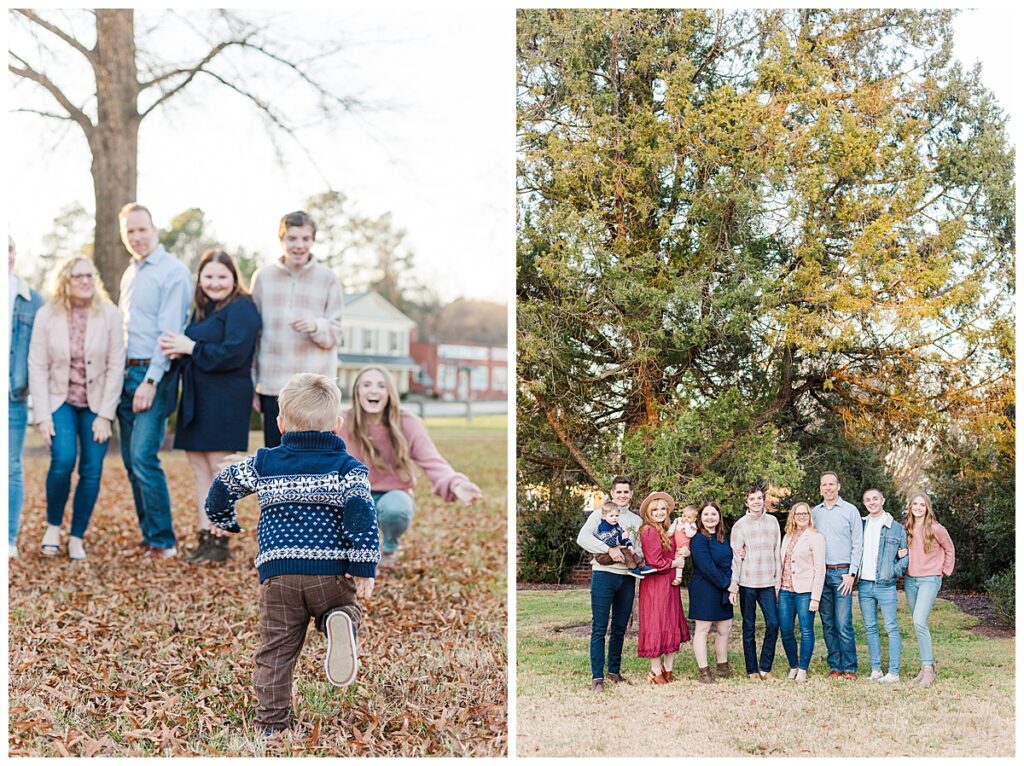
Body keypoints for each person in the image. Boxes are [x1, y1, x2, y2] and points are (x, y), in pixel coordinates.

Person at [205, 372, 378, 735]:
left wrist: (223, 519)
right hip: (332, 573)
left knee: (276, 652)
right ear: (337, 424)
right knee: (344, 609)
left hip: (279, 574)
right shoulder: (349, 468)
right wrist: (364, 565)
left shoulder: (265, 462)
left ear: (281, 424)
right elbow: (362, 514)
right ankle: (338, 622)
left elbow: (223, 484)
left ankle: (272, 725)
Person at [158, 249, 261, 564]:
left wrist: (190, 347)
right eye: (209, 276)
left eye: (222, 276)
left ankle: (221, 539)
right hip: (196, 398)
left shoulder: (243, 308)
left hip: (226, 399)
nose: (215, 283)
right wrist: (180, 352)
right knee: (199, 469)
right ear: (199, 279)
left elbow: (235, 353)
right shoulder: (201, 310)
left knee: (220, 469)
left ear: (233, 277)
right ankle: (205, 536)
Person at [28, 257, 124, 560]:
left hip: (97, 404)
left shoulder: (109, 314)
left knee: (92, 469)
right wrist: (42, 416)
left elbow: (115, 365)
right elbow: (37, 365)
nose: (85, 281)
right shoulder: (47, 315)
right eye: (77, 276)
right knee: (63, 458)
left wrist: (106, 415)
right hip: (60, 400)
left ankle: (77, 536)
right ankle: (53, 527)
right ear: (64, 282)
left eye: (89, 275)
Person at [340, 366, 482, 568]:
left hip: (393, 492)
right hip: (352, 496)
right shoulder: (342, 421)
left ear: (389, 392)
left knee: (396, 510)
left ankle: (389, 548)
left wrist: (456, 484)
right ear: (357, 391)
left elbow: (432, 460)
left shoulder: (407, 422)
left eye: (381, 385)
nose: (373, 390)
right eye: (367, 384)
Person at [116, 203, 192, 559]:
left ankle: (164, 542)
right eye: (129, 231)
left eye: (141, 229)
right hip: (125, 372)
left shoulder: (172, 271)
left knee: (144, 456)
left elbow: (169, 332)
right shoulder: (130, 273)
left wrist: (149, 380)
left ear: (154, 229)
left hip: (153, 373)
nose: (136, 237)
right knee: (131, 462)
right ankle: (149, 536)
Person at [250, 211, 343, 449]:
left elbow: (336, 333)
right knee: (276, 457)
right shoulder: (263, 277)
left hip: (316, 389)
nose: (299, 245)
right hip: (273, 386)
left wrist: (316, 325)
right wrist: (253, 383)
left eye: (305, 239)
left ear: (313, 240)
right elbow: (253, 335)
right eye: (292, 238)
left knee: (317, 460)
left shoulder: (329, 279)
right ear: (282, 239)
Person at [576, 476, 640, 692]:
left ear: (631, 494)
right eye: (619, 491)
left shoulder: (636, 520)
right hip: (604, 575)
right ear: (613, 493)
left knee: (620, 627)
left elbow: (639, 548)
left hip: (627, 578)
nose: (622, 495)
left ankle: (614, 671)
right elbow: (582, 538)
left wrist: (632, 553)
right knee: (600, 626)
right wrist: (608, 549)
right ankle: (597, 677)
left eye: (626, 491)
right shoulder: (599, 514)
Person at [9, 235, 45, 558]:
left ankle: (8, 538)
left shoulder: (32, 300)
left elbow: (44, 352)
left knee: (10, 467)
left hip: (13, 395)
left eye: (8, 247)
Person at [811, 471, 863, 679]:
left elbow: (858, 544)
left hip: (843, 574)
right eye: (824, 485)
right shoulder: (815, 512)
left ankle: (850, 667)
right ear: (820, 488)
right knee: (828, 623)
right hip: (821, 574)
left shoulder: (850, 511)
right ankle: (835, 666)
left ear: (838, 486)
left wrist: (852, 573)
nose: (828, 488)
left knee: (843, 623)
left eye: (832, 484)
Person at [902, 492, 956, 688]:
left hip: (929, 579)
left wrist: (944, 571)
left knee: (919, 621)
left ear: (927, 508)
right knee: (918, 625)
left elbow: (949, 549)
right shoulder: (906, 528)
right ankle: (926, 666)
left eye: (922, 504)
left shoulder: (936, 528)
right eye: (914, 504)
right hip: (910, 580)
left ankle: (928, 670)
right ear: (910, 507)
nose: (918, 507)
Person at [728, 486, 782, 681]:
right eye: (753, 499)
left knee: (773, 623)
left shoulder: (773, 521)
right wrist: (734, 584)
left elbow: (777, 552)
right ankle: (752, 670)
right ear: (747, 502)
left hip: (768, 582)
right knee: (748, 626)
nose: (757, 502)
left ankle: (765, 668)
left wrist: (778, 580)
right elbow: (736, 557)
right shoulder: (740, 525)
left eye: (760, 498)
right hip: (747, 582)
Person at [636, 492, 690, 683]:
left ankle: (668, 669)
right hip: (655, 584)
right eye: (655, 509)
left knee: (670, 622)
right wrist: (675, 563)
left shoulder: (666, 529)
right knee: (656, 623)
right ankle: (655, 671)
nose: (659, 512)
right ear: (648, 513)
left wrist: (683, 551)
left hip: (669, 584)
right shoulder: (649, 530)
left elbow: (676, 550)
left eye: (662, 509)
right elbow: (656, 562)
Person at [857, 488, 909, 683]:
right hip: (865, 585)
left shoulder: (896, 528)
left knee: (891, 627)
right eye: (868, 500)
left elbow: (905, 556)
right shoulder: (861, 525)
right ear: (865, 504)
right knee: (870, 627)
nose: (872, 502)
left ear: (883, 500)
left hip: (886, 585)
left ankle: (893, 672)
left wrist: (893, 571)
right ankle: (876, 669)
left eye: (875, 499)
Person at [688, 501, 738, 683]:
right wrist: (728, 584)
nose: (710, 518)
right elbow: (707, 567)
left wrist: (732, 584)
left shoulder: (723, 537)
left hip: (724, 587)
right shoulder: (698, 539)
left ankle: (722, 667)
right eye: (706, 514)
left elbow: (730, 560)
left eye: (714, 514)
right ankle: (704, 671)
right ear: (701, 518)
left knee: (725, 628)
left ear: (719, 517)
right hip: (705, 588)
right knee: (703, 629)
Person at [776, 502, 825, 683]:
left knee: (806, 630)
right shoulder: (788, 536)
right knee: (786, 630)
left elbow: (820, 569)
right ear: (793, 516)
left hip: (805, 591)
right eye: (798, 514)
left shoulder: (816, 537)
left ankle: (803, 668)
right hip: (785, 590)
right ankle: (793, 665)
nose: (802, 516)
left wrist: (815, 597)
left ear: (810, 516)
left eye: (805, 513)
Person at [592, 501, 652, 577]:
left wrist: (629, 545)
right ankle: (633, 568)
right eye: (611, 516)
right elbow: (609, 543)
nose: (614, 518)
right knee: (625, 551)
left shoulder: (616, 526)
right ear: (604, 516)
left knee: (629, 550)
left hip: (614, 552)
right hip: (602, 556)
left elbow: (625, 539)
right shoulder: (603, 527)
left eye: (616, 516)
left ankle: (641, 565)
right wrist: (621, 537)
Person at [670, 504, 698, 586]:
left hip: (683, 546)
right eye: (684, 516)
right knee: (674, 559)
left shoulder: (692, 526)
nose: (685, 518)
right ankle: (674, 575)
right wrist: (675, 523)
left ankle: (678, 577)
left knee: (679, 559)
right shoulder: (679, 523)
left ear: (694, 519)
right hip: (675, 545)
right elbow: (673, 529)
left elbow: (689, 535)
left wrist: (686, 525)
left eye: (689, 517)